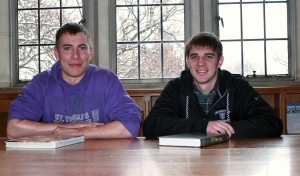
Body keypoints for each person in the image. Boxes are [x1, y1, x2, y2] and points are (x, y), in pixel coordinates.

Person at [7, 23, 141, 139]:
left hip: (100, 162)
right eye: (67, 48)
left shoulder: (106, 79)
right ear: (56, 53)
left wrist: (81, 132)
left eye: (82, 48)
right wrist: (68, 127)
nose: (75, 56)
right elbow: (13, 129)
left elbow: (130, 127)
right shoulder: (41, 83)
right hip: (55, 163)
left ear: (90, 52)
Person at [143, 32, 283, 139]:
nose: (201, 63)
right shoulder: (176, 87)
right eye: (194, 56)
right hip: (187, 162)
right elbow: (152, 125)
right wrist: (204, 127)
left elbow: (272, 124)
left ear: (220, 61)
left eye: (208, 56)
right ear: (187, 61)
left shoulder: (237, 86)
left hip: (230, 161)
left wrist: (223, 130)